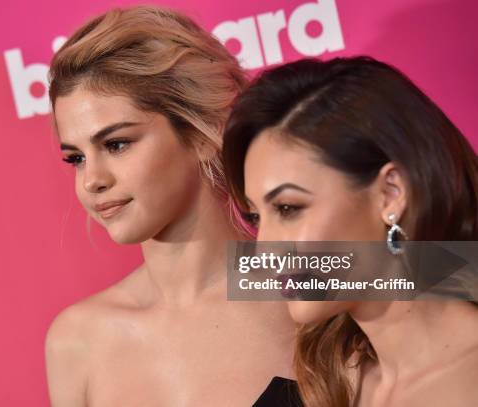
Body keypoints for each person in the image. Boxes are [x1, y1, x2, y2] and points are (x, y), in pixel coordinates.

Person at [45, 6, 299, 407]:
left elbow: (432, 282)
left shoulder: (318, 281)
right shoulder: (76, 340)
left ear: (202, 132)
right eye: (75, 158)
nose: (92, 180)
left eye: (116, 144)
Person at [222, 56, 478, 406]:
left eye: (288, 208)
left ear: (391, 193)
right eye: (256, 218)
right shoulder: (311, 392)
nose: (265, 251)